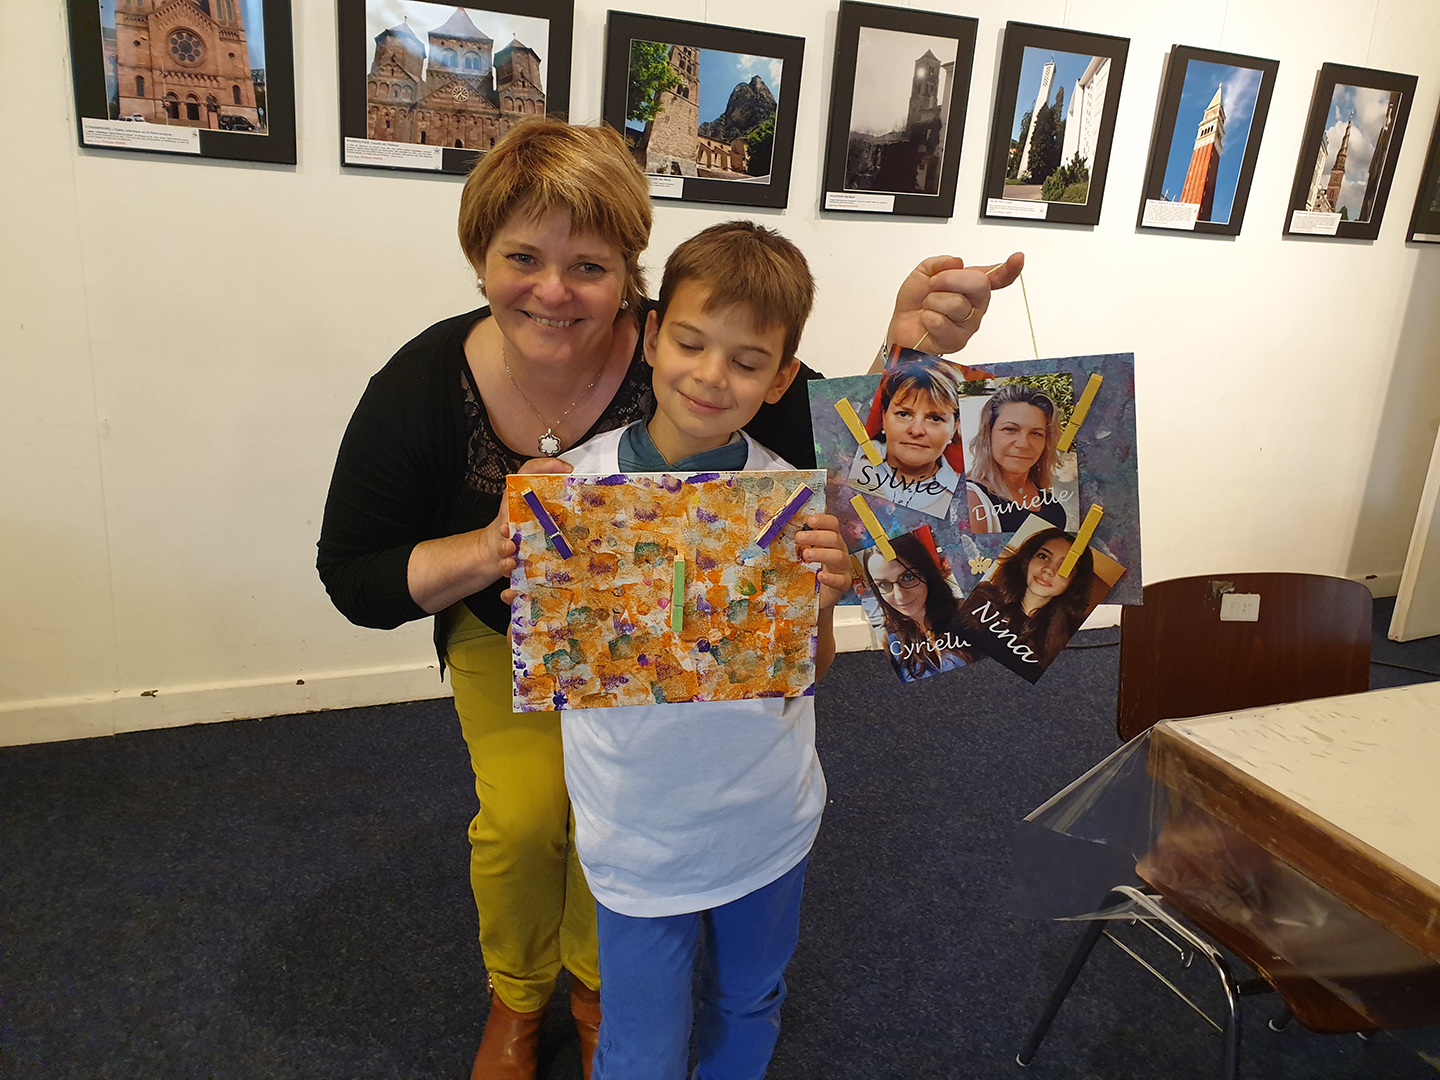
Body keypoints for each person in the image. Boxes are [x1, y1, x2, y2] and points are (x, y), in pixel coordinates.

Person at [316, 117, 1022, 1080]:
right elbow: (355, 576)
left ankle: (595, 988)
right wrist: (492, 546)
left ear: (630, 286)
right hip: (510, 633)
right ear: (481, 259)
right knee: (528, 820)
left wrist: (908, 352)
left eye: (589, 267)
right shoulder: (426, 385)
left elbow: (854, 456)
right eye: (523, 257)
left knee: (709, 954)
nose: (554, 290)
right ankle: (519, 998)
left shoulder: (714, 367)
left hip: (733, 739)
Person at [522, 219, 849, 1080]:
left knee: (749, 1000)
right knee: (640, 1040)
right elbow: (556, 656)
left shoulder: (790, 502)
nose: (710, 376)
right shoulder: (574, 489)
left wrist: (820, 606)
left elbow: (810, 671)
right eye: (692, 343)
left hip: (765, 820)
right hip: (636, 832)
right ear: (653, 336)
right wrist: (537, 582)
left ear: (781, 379)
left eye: (746, 361)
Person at [960, 526, 1096, 670]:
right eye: (1043, 556)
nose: (1048, 570)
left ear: (1075, 580)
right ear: (1028, 559)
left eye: (1065, 567)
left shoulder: (1066, 643)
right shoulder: (979, 596)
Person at [848, 358, 964, 518]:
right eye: (903, 414)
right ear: (884, 416)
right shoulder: (845, 463)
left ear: (955, 427)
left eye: (935, 418)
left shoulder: (966, 497)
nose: (916, 430)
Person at [860, 531, 973, 681]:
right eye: (884, 584)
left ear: (926, 572)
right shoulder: (887, 640)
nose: (899, 596)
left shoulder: (969, 613)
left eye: (908, 577)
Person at [966, 383, 1070, 534]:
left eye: (1036, 433)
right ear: (987, 434)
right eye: (1010, 429)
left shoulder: (1037, 484)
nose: (1023, 444)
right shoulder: (973, 501)